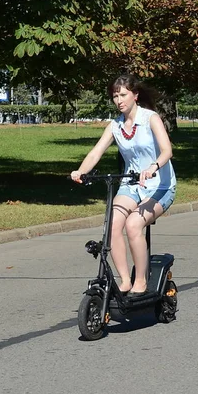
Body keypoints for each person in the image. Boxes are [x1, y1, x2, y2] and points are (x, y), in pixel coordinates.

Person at [70, 74, 176, 296]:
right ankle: (125, 280)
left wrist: (153, 167)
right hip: (131, 184)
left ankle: (141, 282)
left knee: (134, 225)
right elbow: (96, 152)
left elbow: (167, 151)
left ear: (135, 95)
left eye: (123, 95)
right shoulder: (115, 125)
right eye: (115, 96)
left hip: (160, 185)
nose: (119, 100)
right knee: (112, 224)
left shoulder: (150, 118)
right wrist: (80, 171)